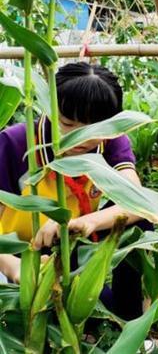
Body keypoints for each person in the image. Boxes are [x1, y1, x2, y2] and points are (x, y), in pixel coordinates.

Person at [0, 62, 148, 320]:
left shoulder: (111, 140)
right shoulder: (15, 144)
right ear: (50, 109)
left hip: (69, 241)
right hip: (16, 250)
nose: (79, 138)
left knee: (140, 227)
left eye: (93, 128)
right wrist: (14, 266)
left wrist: (83, 223)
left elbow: (136, 200)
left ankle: (129, 321)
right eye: (67, 124)